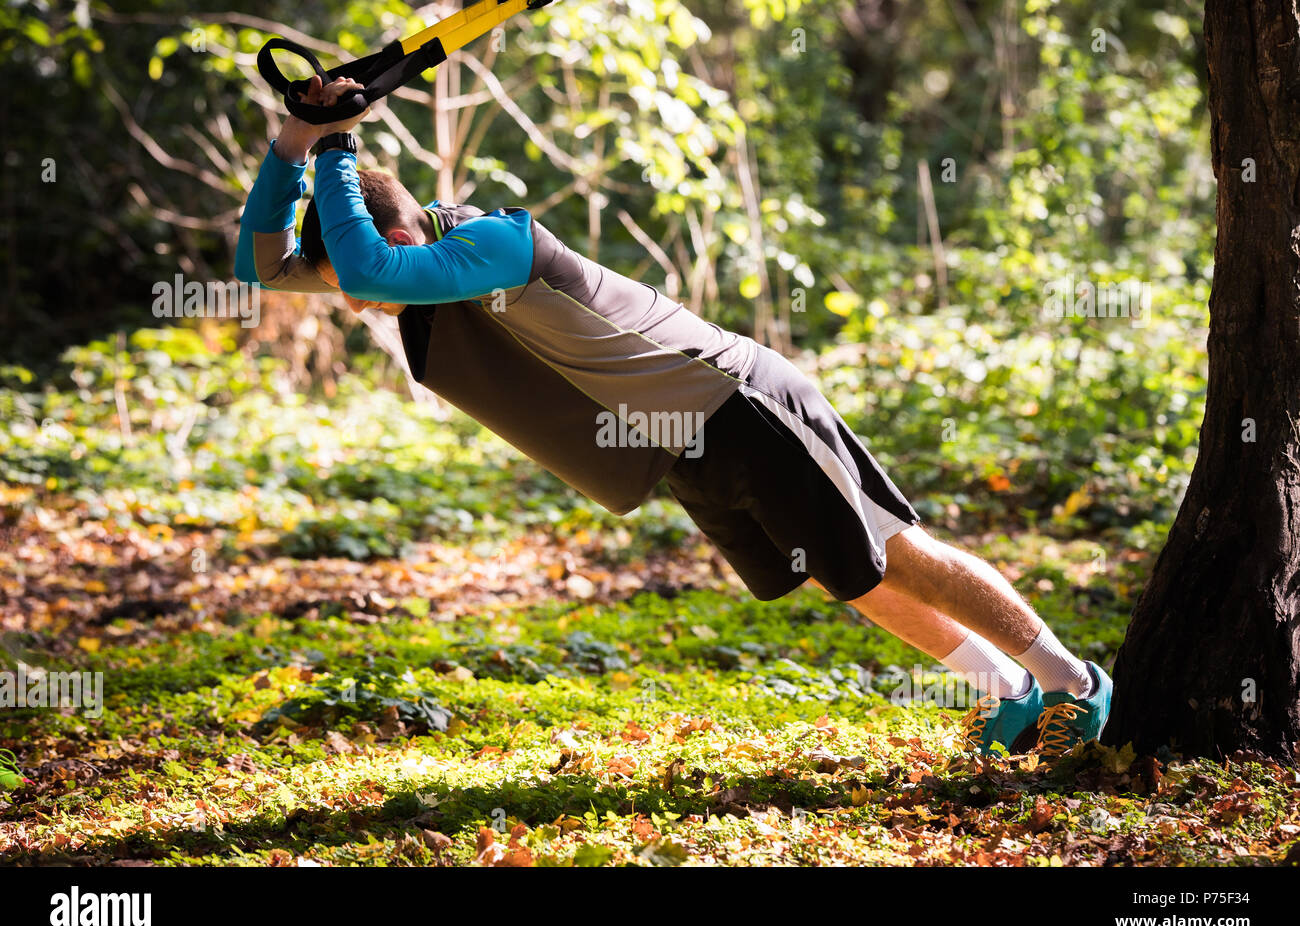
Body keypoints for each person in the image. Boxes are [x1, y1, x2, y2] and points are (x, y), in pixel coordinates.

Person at [235, 76, 1112, 757]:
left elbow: (374, 273)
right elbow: (264, 267)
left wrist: (340, 144)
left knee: (892, 549)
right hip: (678, 441)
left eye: (355, 287)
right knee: (841, 572)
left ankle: (1074, 683)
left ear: (394, 240)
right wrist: (297, 142)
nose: (356, 310)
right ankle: (1007, 691)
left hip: (734, 401)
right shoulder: (395, 263)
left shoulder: (497, 244)